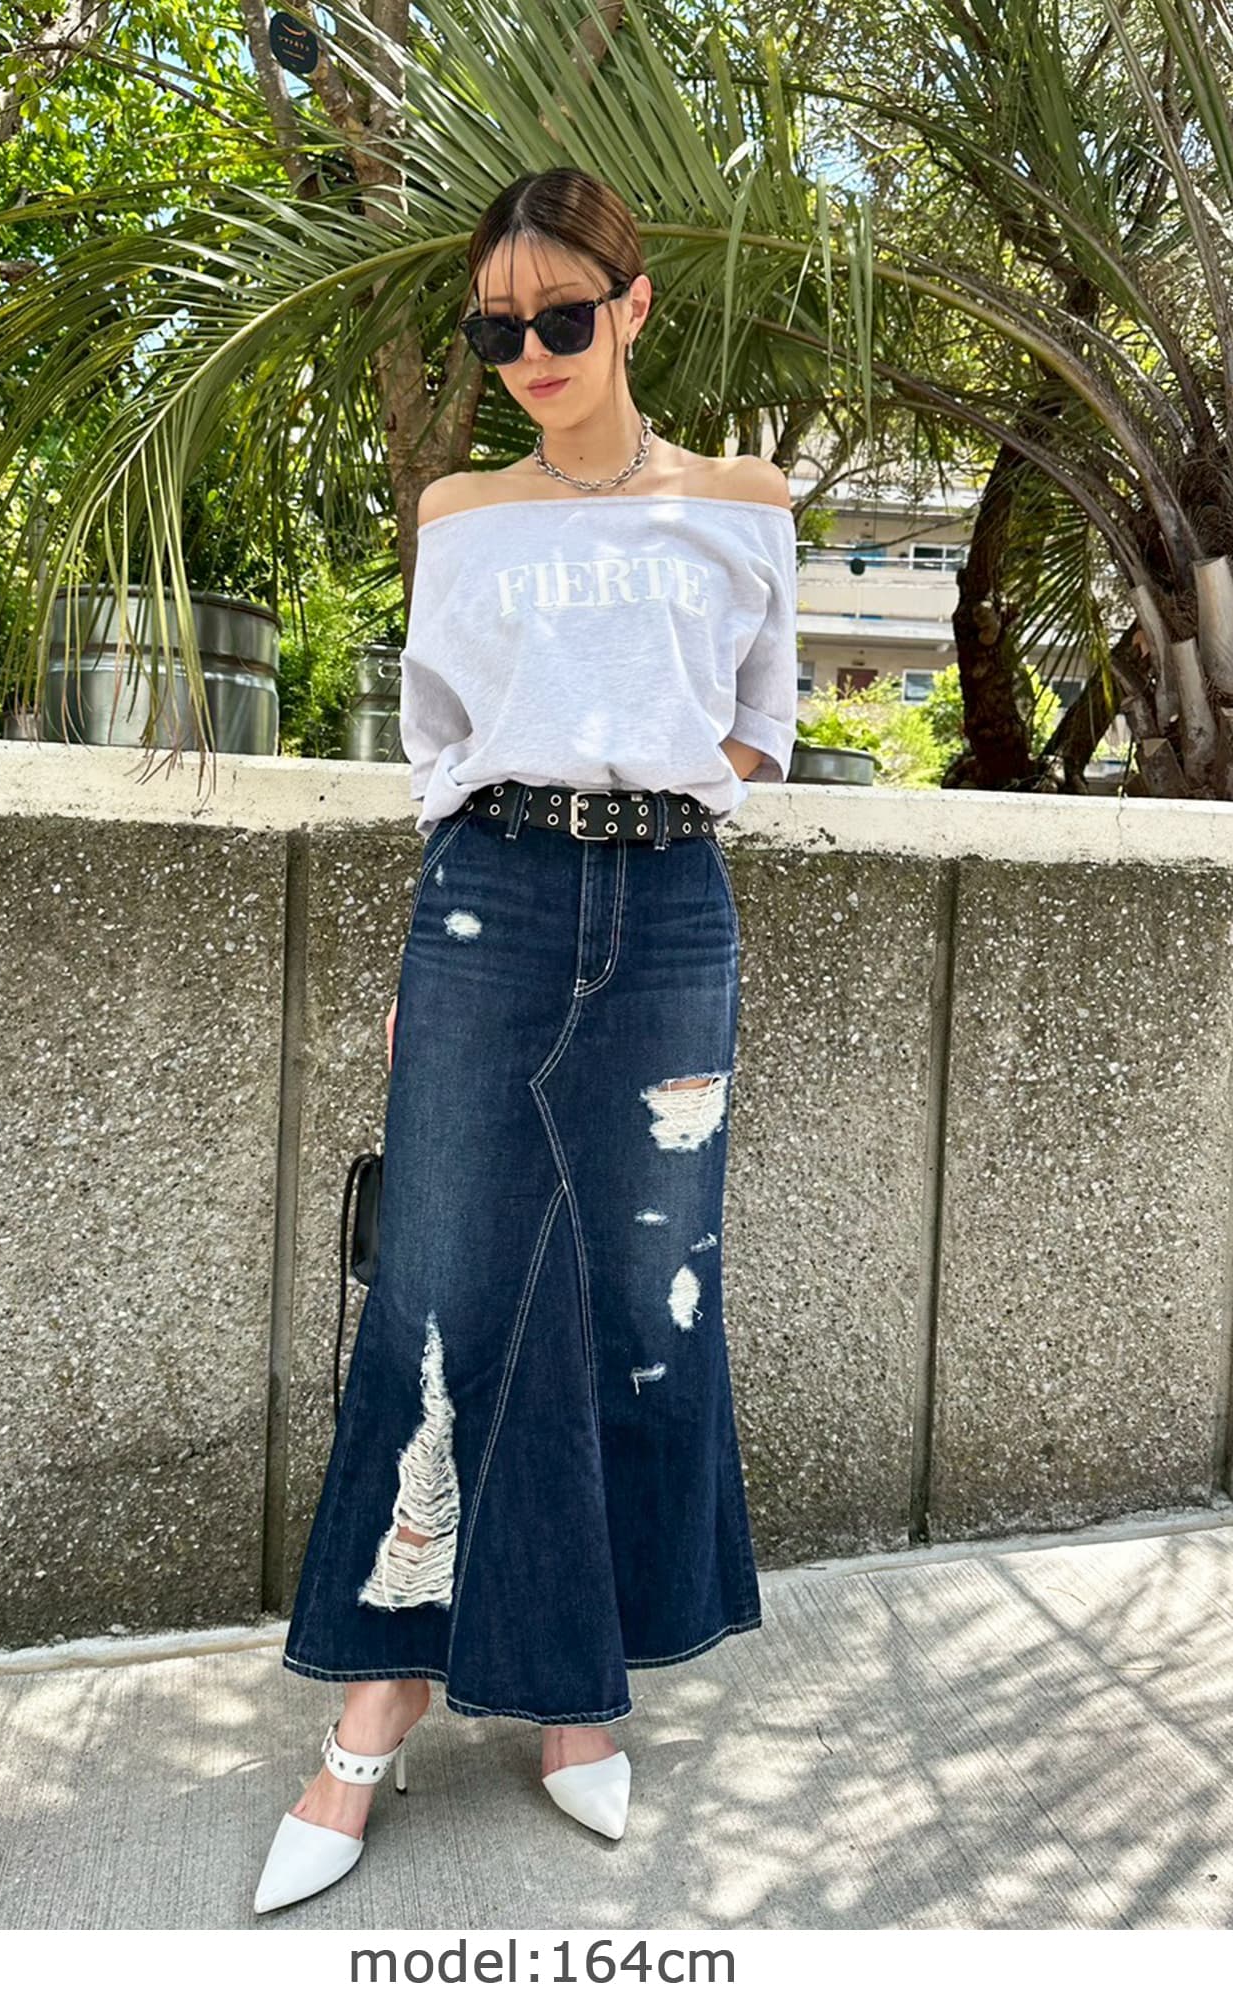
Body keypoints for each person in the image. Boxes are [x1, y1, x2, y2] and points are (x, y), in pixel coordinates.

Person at [255, 165, 799, 1916]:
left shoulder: (743, 502)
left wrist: (659, 789)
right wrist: (436, 953)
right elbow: (439, 742)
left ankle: (579, 1686)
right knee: (437, 1288)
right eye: (499, 330)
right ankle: (377, 1702)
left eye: (564, 315)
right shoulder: (461, 509)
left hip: (672, 915)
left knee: (645, 1303)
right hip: (487, 902)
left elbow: (762, 730)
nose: (533, 353)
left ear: (633, 307)